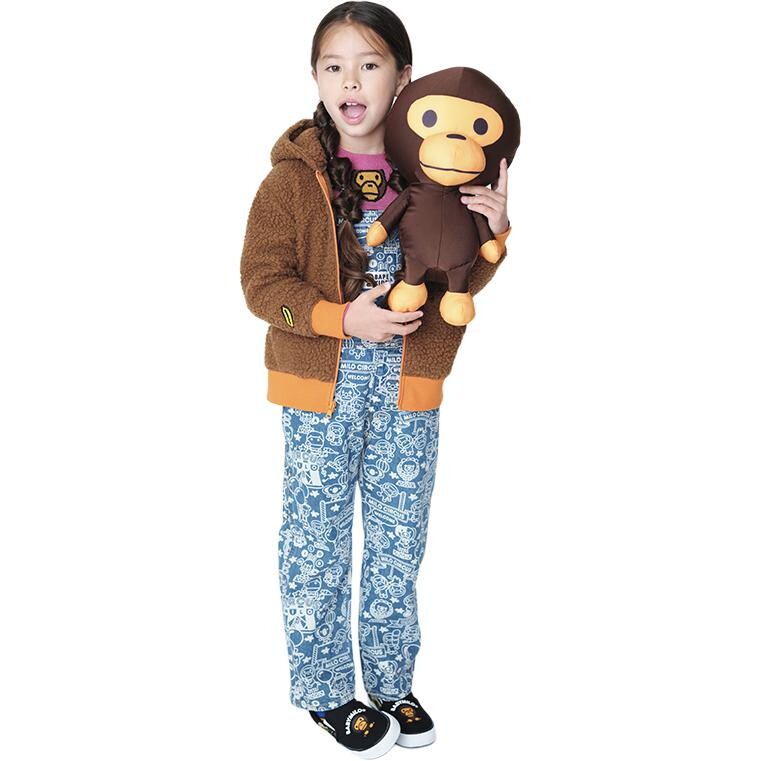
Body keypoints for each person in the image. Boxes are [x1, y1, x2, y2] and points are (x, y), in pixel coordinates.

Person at [240, 2, 512, 756]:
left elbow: (455, 284)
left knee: (398, 542)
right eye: (334, 66)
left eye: (369, 64)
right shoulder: (290, 182)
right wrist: (340, 319)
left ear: (403, 78)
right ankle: (327, 689)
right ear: (316, 79)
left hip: (407, 389)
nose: (350, 82)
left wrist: (492, 235)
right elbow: (261, 285)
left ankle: (392, 682)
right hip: (319, 392)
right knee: (316, 542)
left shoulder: (438, 169)